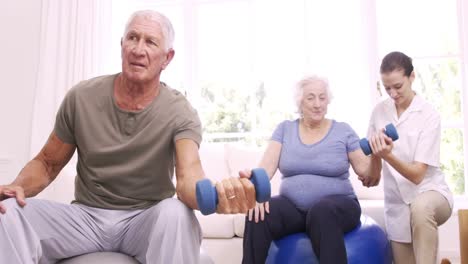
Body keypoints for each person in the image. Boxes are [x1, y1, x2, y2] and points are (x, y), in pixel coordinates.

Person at [0, 10, 256, 264]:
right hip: (86, 218)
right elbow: (47, 163)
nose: (138, 49)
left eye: (150, 42)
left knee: (177, 213)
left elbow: (188, 178)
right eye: (132, 38)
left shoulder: (180, 111)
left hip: (143, 221)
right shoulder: (82, 97)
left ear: (167, 58)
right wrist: (18, 185)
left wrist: (215, 197)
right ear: (122, 45)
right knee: (8, 212)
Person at [241, 75, 380, 264]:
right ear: (300, 102)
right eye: (310, 98)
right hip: (293, 208)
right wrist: (257, 193)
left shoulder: (343, 131)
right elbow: (265, 169)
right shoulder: (285, 129)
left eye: (322, 98)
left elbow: (367, 173)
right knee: (258, 214)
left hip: (338, 207)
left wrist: (379, 155)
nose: (317, 104)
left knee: (321, 211)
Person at [367, 51, 453, 264]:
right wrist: (376, 156)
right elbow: (374, 177)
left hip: (431, 193)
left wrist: (387, 155)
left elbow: (417, 175)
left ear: (411, 77)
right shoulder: (379, 112)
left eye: (398, 86)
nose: (393, 93)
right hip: (397, 207)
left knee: (421, 208)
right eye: (387, 88)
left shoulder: (428, 114)